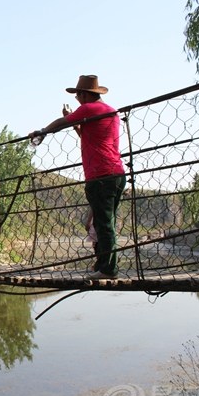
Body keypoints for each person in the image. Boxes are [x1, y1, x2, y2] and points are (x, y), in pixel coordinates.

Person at [29, 75, 126, 279]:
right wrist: (76, 124)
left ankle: (109, 269)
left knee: (104, 223)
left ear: (84, 94)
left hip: (100, 175)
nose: (77, 99)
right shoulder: (111, 112)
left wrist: (43, 131)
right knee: (105, 222)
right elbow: (89, 137)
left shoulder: (89, 109)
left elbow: (60, 123)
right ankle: (102, 264)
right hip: (117, 173)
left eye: (77, 95)